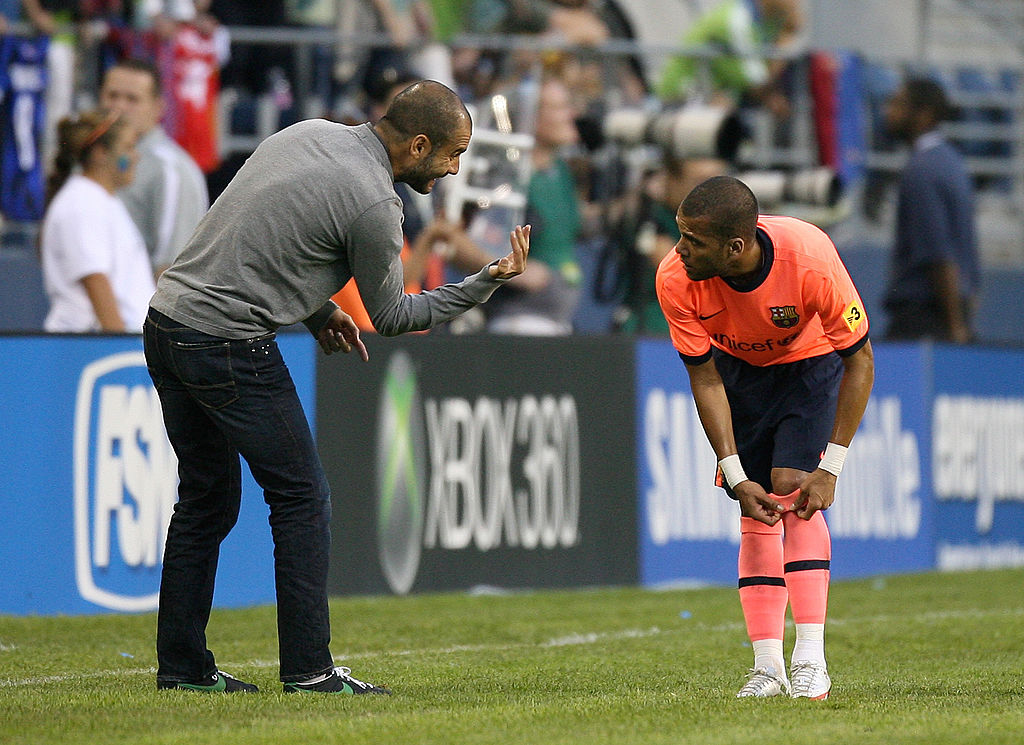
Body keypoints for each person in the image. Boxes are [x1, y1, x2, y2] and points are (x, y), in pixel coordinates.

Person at [144, 80, 530, 694]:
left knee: (206, 500)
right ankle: (309, 671)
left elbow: (258, 240)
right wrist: (486, 280)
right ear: (418, 145)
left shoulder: (309, 134)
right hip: (226, 340)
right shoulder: (375, 203)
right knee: (301, 498)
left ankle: (184, 669)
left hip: (167, 322)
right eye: (453, 153)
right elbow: (394, 316)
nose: (455, 169)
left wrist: (318, 310)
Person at [655, 176, 874, 699]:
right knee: (755, 507)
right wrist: (734, 476)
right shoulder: (674, 277)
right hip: (737, 371)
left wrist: (831, 467)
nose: (679, 249)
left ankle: (811, 660)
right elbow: (705, 379)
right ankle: (767, 668)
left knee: (791, 486)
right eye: (680, 234)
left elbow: (861, 360)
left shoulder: (809, 257)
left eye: (693, 241)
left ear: (735, 247)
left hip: (809, 362)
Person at [40, 108, 156, 333]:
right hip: (91, 346)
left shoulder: (102, 200)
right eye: (128, 147)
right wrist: (117, 345)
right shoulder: (81, 203)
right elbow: (96, 282)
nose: (136, 156)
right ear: (100, 153)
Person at [882, 76, 979, 344]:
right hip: (951, 310)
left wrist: (955, 326)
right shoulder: (953, 161)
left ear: (924, 114)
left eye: (898, 104)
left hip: (923, 317)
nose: (888, 111)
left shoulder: (921, 170)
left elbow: (937, 252)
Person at [99, 58, 209, 279]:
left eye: (132, 99)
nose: (119, 106)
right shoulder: (90, 159)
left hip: (137, 300)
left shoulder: (171, 170)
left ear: (158, 107)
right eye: (112, 96)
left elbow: (173, 269)